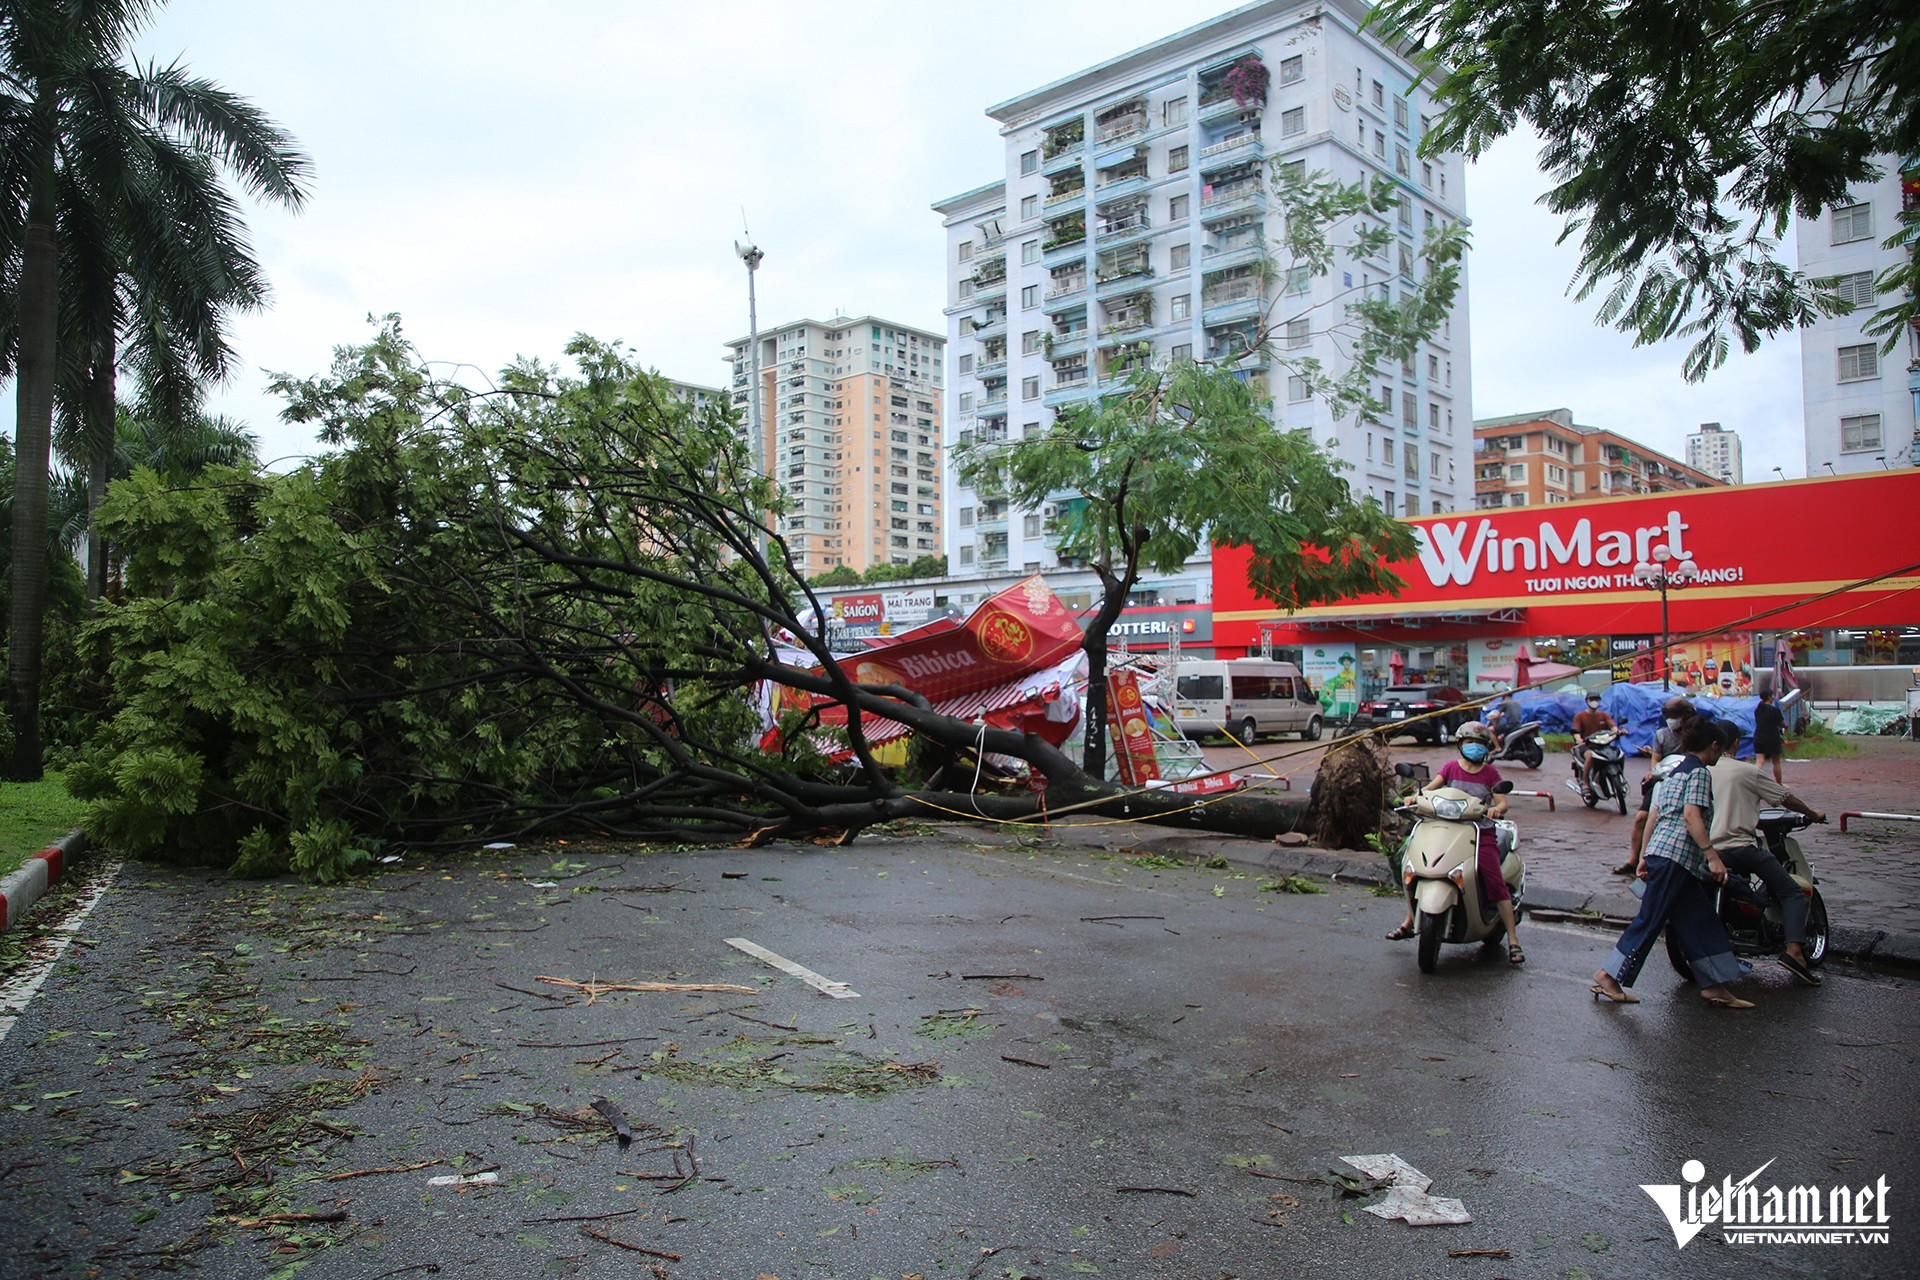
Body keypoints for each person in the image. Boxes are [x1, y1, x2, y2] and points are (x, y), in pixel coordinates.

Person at [1591, 717, 1752, 1008]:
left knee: (1699, 921)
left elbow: (1657, 815)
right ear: (1714, 746)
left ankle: (1714, 984)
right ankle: (1608, 975)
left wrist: (1645, 857)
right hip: (1675, 859)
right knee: (1650, 920)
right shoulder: (1700, 774)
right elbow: (1691, 817)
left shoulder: (1674, 771)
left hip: (1668, 858)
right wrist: (1713, 857)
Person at [1386, 722, 1524, 964]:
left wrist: (1496, 810)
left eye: (1479, 744)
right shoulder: (1450, 768)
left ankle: (1513, 940)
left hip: (1479, 833)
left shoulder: (1490, 774)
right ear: (1460, 745)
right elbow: (1428, 790)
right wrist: (1414, 797)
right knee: (1412, 867)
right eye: (1470, 743)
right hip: (1446, 829)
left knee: (1494, 881)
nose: (1474, 748)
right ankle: (1410, 921)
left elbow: (1502, 803)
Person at [1707, 721, 1825, 986]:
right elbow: (1786, 798)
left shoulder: (1700, 770)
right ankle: (1794, 952)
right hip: (1740, 849)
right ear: (1736, 743)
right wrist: (1813, 814)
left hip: (1708, 851)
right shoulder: (1746, 771)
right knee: (1792, 890)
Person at [1617, 695, 1698, 875]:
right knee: (1641, 818)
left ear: (1686, 715)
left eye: (1675, 716)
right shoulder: (1662, 735)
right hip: (1663, 780)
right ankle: (1633, 859)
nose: (1672, 720)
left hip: (1687, 781)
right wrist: (1654, 772)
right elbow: (1656, 760)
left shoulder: (1695, 733)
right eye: (1668, 716)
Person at [1570, 691, 1618, 797]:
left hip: (1603, 745)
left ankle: (1619, 779)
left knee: (1618, 754)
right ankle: (1585, 783)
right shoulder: (1580, 716)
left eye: (1596, 699)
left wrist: (1617, 732)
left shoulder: (1604, 715)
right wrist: (1579, 739)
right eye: (1591, 700)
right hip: (1587, 746)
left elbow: (1613, 727)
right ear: (1587, 701)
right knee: (1590, 757)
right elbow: (1576, 731)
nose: (1594, 702)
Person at [1752, 686, 1786, 784]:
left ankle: (1754, 782)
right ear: (1769, 697)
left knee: (1760, 761)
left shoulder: (1758, 710)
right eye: (1772, 696)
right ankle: (1779, 784)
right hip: (1772, 738)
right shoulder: (1774, 710)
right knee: (1776, 762)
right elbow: (1782, 723)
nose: (1773, 698)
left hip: (1759, 737)